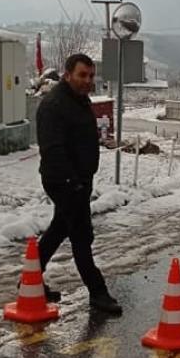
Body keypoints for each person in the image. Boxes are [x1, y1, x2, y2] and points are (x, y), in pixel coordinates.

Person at [35, 53, 121, 314]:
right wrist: (73, 183)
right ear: (68, 74)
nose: (88, 81)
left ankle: (30, 281)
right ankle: (98, 292)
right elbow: (53, 150)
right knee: (82, 235)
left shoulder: (79, 100)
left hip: (80, 180)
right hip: (64, 181)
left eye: (91, 75)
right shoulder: (54, 105)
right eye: (82, 75)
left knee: (58, 230)